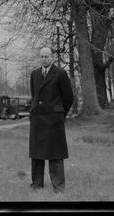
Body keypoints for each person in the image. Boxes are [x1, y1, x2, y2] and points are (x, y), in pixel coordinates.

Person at [29, 47, 74, 193]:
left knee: (55, 155)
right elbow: (34, 95)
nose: (44, 59)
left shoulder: (60, 74)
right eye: (42, 56)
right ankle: (36, 185)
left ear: (52, 57)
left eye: (47, 56)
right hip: (37, 119)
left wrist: (59, 113)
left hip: (54, 120)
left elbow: (68, 97)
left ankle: (58, 188)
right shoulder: (34, 74)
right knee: (37, 155)